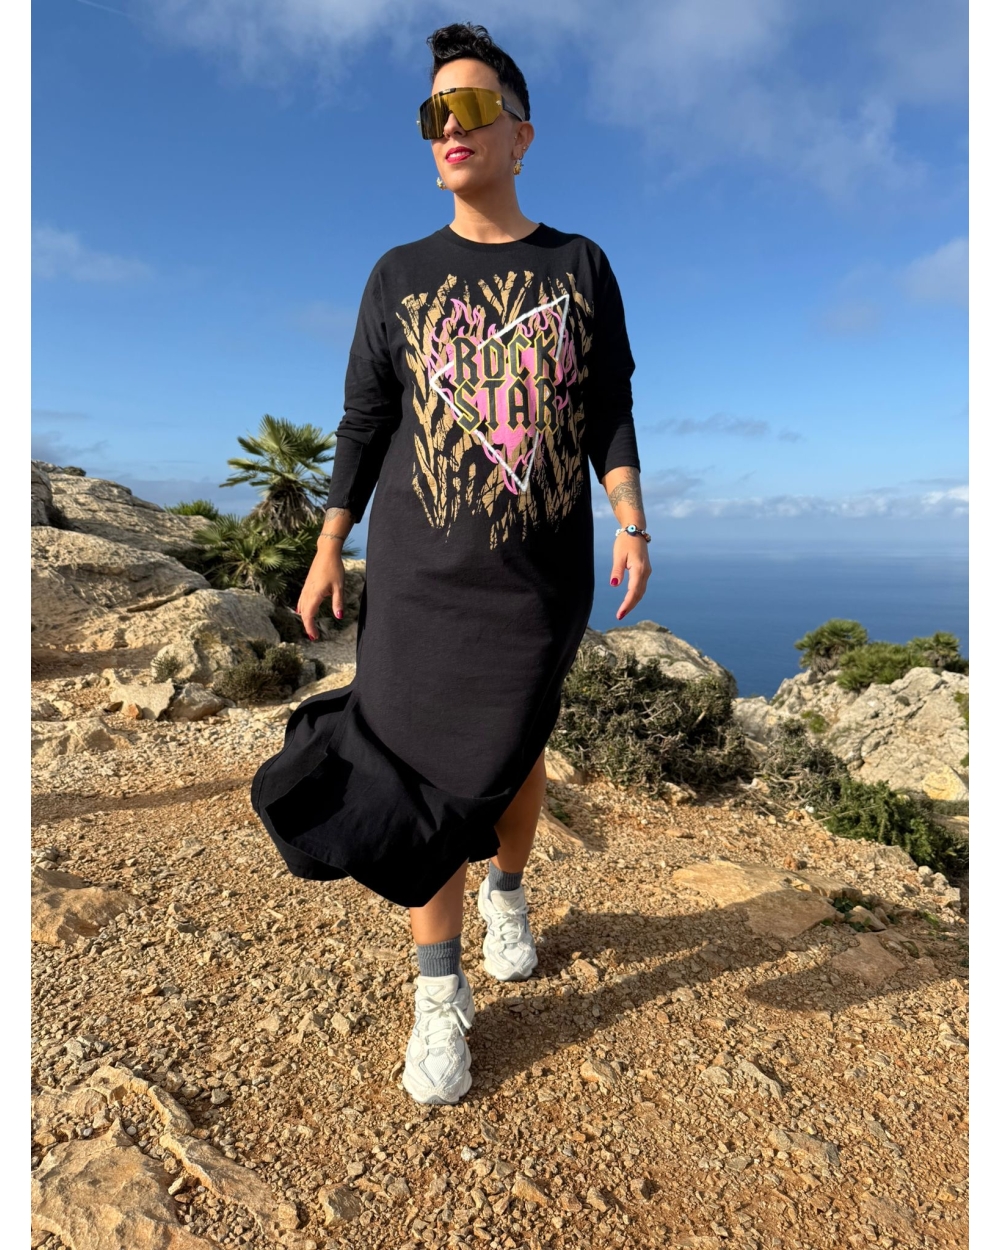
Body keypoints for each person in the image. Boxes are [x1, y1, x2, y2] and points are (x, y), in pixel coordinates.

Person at [251, 22, 651, 1106]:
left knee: (514, 750)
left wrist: (631, 519)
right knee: (413, 768)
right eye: (435, 113)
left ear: (521, 135)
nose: (450, 127)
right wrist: (328, 546)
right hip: (420, 576)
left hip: (538, 579)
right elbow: (363, 424)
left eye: (472, 107)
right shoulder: (399, 274)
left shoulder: (579, 265)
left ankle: (506, 890)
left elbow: (607, 406)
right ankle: (438, 991)